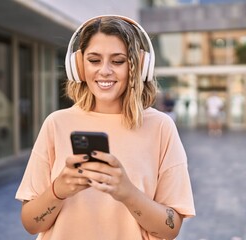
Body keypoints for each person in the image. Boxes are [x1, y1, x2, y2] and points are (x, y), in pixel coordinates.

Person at [15, 15, 195, 240]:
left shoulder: (161, 127)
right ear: (78, 66)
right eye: (94, 60)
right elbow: (31, 224)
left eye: (118, 61)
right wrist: (58, 190)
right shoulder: (56, 123)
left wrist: (127, 192)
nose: (105, 71)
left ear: (138, 66)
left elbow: (171, 229)